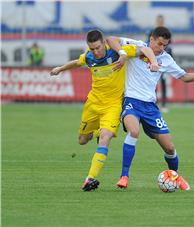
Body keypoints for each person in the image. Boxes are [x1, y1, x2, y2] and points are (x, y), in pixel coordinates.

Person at [106, 26, 194, 190]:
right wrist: (122, 53)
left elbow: (183, 77)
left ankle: (175, 177)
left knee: (169, 147)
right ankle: (124, 176)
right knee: (134, 131)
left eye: (165, 45)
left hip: (150, 108)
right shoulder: (137, 45)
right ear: (152, 39)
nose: (161, 48)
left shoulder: (166, 59)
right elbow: (111, 39)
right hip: (131, 101)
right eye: (160, 44)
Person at [50, 29, 158, 191]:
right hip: (93, 104)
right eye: (92, 48)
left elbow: (144, 49)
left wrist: (153, 61)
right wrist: (60, 68)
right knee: (82, 140)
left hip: (113, 105)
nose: (96, 51)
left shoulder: (117, 53)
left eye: (98, 47)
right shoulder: (89, 56)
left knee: (105, 137)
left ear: (104, 43)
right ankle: (97, 132)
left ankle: (89, 179)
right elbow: (77, 62)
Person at [146, 15, 172, 113]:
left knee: (163, 83)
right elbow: (146, 45)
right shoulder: (152, 32)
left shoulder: (166, 32)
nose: (160, 22)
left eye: (162, 20)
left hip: (163, 61)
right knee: (153, 83)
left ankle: (164, 104)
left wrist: (169, 60)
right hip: (152, 60)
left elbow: (169, 47)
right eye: (159, 20)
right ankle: (154, 102)